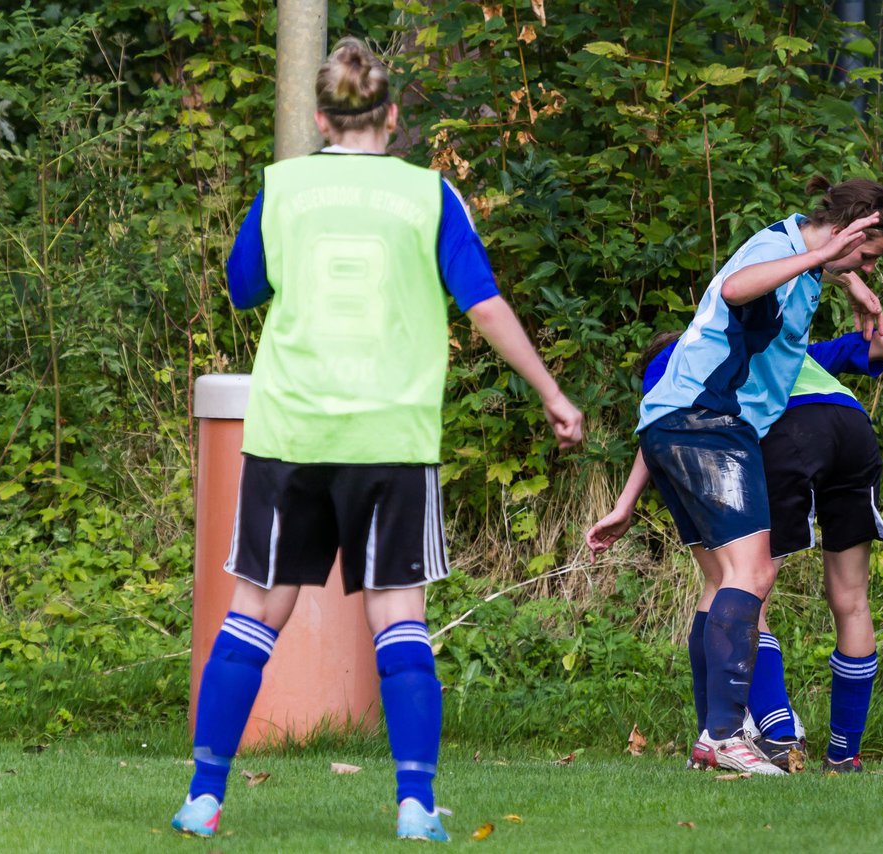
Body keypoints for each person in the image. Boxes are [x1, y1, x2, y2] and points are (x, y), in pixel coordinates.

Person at [171, 37, 583, 842]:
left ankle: (204, 797)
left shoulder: (282, 187)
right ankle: (415, 806)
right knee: (400, 618)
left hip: (293, 429)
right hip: (390, 434)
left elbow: (242, 287)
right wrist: (552, 392)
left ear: (320, 117)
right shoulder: (430, 195)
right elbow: (485, 304)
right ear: (394, 117)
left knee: (255, 611)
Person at [588, 324, 883, 772]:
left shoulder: (683, 355)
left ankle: (779, 738)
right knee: (851, 599)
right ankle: (844, 757)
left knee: (743, 585)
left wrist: (624, 503)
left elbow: (660, 419)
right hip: (852, 426)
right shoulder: (777, 343)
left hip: (784, 432)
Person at [625, 178, 883, 774]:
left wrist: (848, 278)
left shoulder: (800, 254)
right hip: (709, 421)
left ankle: (711, 737)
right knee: (753, 572)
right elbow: (735, 287)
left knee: (725, 578)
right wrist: (828, 260)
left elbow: (805, 264)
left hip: (676, 422)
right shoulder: (784, 252)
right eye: (870, 255)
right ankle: (727, 737)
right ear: (845, 231)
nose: (871, 267)